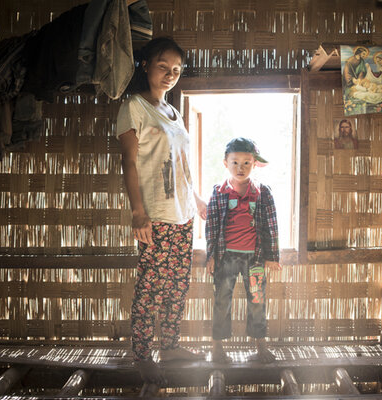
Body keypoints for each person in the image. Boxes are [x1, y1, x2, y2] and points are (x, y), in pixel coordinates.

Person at [115, 37, 206, 384]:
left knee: (177, 285)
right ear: (145, 66)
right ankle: (142, 352)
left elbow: (180, 162)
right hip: (155, 214)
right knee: (151, 286)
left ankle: (169, 346)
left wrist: (195, 198)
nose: (170, 74)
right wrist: (138, 213)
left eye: (177, 70)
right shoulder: (134, 106)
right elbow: (129, 161)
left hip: (182, 214)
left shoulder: (173, 111)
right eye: (163, 66)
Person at [205, 137, 282, 364]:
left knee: (257, 300)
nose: (241, 168)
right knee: (221, 300)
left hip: (255, 259)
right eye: (235, 162)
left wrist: (272, 256)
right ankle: (217, 346)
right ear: (225, 163)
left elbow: (271, 224)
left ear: (255, 164)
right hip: (225, 257)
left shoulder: (262, 192)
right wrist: (211, 256)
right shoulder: (219, 192)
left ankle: (260, 345)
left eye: (246, 163)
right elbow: (211, 226)